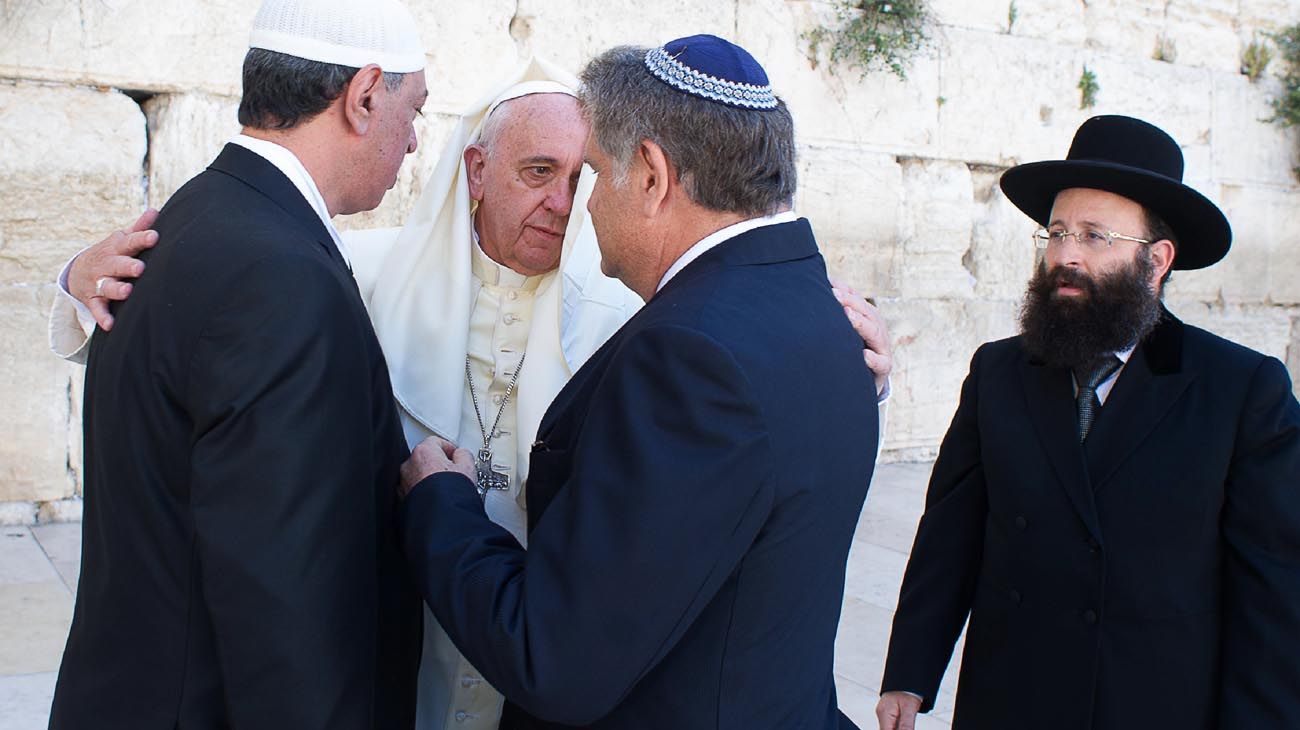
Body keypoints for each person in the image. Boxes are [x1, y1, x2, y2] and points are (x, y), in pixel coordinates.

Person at [50, 57, 895, 730]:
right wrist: (77, 286)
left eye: (582, 177)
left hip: (539, 659)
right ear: (478, 171)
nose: (565, 205)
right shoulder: (347, 276)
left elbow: (738, 440)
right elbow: (207, 350)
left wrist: (866, 371)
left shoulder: (638, 314)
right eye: (539, 171)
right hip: (399, 645)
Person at [398, 35, 877, 729]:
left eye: (594, 173)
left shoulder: (689, 357)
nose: (582, 211)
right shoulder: (820, 308)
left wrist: (441, 505)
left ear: (650, 175)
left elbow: (556, 659)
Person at [48, 1, 429, 727]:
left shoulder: (191, 216)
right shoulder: (282, 276)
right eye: (414, 111)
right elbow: (288, 603)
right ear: (366, 94)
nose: (413, 143)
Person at [876, 115, 1300, 730]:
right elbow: (951, 535)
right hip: (1009, 699)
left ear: (1157, 261)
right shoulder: (999, 373)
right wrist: (909, 674)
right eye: (1056, 233)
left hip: (1150, 706)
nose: (1065, 256)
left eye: (1095, 236)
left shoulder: (1241, 392)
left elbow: (1272, 597)